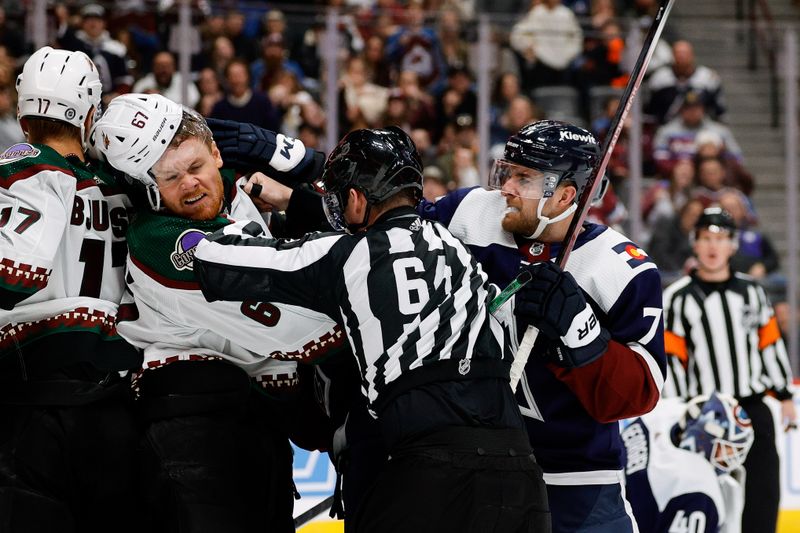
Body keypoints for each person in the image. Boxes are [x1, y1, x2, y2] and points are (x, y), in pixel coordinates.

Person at [193, 126, 551, 533]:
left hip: (426, 476)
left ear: (358, 199)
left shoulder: (347, 253)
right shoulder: (456, 247)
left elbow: (215, 262)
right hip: (520, 473)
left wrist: (226, 194)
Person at [92, 93, 332, 532]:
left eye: (196, 167)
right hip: (189, 428)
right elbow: (290, 302)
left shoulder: (245, 194)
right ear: (149, 186)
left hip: (254, 425)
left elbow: (347, 197)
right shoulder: (159, 238)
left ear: (217, 154)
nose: (189, 184)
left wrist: (291, 166)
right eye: (170, 177)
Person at [418, 120, 666, 533]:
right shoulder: (468, 214)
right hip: (473, 469)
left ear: (566, 195)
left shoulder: (621, 270)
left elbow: (637, 395)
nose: (506, 188)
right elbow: (394, 234)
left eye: (524, 178)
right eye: (508, 172)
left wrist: (579, 333)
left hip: (577, 486)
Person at [0, 47, 140, 532]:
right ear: (88, 112)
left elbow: (10, 275)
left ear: (23, 117)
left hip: (30, 407)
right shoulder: (131, 184)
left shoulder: (18, 167)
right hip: (120, 406)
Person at [662, 207, 797, 533]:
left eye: (721, 239)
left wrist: (783, 395)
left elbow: (769, 344)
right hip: (703, 411)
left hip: (752, 406)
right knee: (703, 490)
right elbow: (672, 358)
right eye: (706, 238)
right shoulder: (677, 298)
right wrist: (679, 407)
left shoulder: (752, 291)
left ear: (733, 245)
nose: (713, 246)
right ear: (695, 243)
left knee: (763, 490)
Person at [622, 393, 754, 533]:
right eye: (726, 449)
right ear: (703, 438)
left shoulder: (665, 410)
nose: (730, 460)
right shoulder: (699, 490)